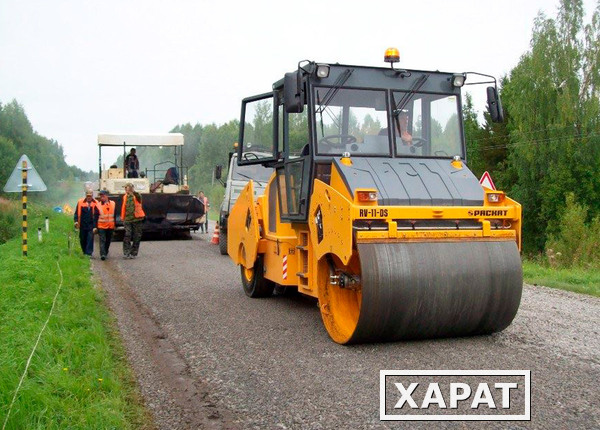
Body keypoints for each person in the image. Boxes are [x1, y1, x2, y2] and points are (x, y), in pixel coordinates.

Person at [121, 183, 145, 258]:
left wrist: (133, 191)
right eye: (125, 188)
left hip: (137, 219)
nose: (126, 189)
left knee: (136, 236)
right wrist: (123, 218)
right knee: (127, 235)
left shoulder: (137, 196)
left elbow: (139, 198)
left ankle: (133, 253)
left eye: (127, 188)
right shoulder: (125, 197)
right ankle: (126, 252)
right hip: (127, 220)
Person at [74, 189, 99, 257]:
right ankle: (84, 251)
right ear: (85, 195)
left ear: (92, 196)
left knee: (90, 238)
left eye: (90, 196)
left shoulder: (96, 203)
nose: (89, 197)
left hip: (91, 225)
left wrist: (96, 226)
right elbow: (76, 213)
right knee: (82, 239)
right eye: (88, 196)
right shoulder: (80, 202)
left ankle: (88, 253)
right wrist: (76, 221)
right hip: (82, 224)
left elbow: (97, 215)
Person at [97, 190, 116, 261]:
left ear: (106, 196)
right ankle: (102, 254)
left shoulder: (113, 203)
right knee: (102, 240)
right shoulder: (98, 205)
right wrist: (95, 227)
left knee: (108, 240)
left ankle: (105, 251)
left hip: (110, 226)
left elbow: (114, 214)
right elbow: (96, 216)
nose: (102, 197)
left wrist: (115, 225)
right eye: (100, 196)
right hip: (101, 226)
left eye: (103, 195)